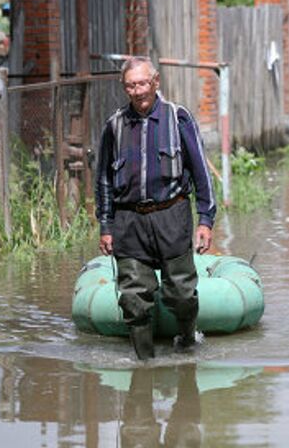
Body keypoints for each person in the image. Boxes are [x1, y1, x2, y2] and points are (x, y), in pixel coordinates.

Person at [95, 56, 217, 360]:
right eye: (131, 86)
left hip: (172, 217)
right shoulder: (115, 125)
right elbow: (104, 181)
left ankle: (187, 342)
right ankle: (145, 364)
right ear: (125, 89)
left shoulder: (179, 118)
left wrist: (205, 219)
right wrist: (106, 226)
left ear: (156, 82)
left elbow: (200, 170)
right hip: (129, 222)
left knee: (182, 294)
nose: (138, 91)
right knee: (135, 301)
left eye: (142, 83)